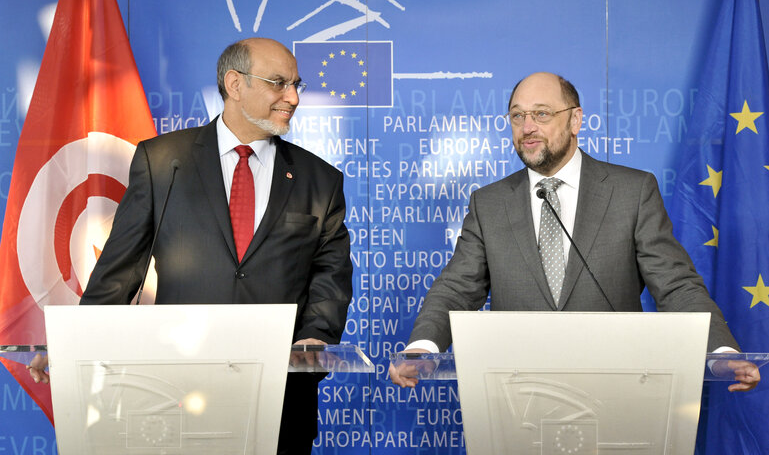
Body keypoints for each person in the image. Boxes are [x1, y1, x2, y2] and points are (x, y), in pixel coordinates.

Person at [30, 38, 353, 454]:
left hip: (280, 395)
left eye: (296, 85)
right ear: (234, 84)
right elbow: (119, 270)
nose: (292, 97)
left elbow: (331, 277)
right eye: (278, 83)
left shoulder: (319, 179)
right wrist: (72, 341)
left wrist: (314, 340)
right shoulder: (163, 161)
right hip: (173, 391)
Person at [389, 71, 759, 392]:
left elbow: (675, 285)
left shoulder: (632, 192)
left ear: (575, 120)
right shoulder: (489, 203)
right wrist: (424, 346)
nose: (527, 127)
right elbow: (457, 288)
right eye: (517, 116)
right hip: (515, 394)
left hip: (617, 390)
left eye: (541, 114)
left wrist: (721, 353)